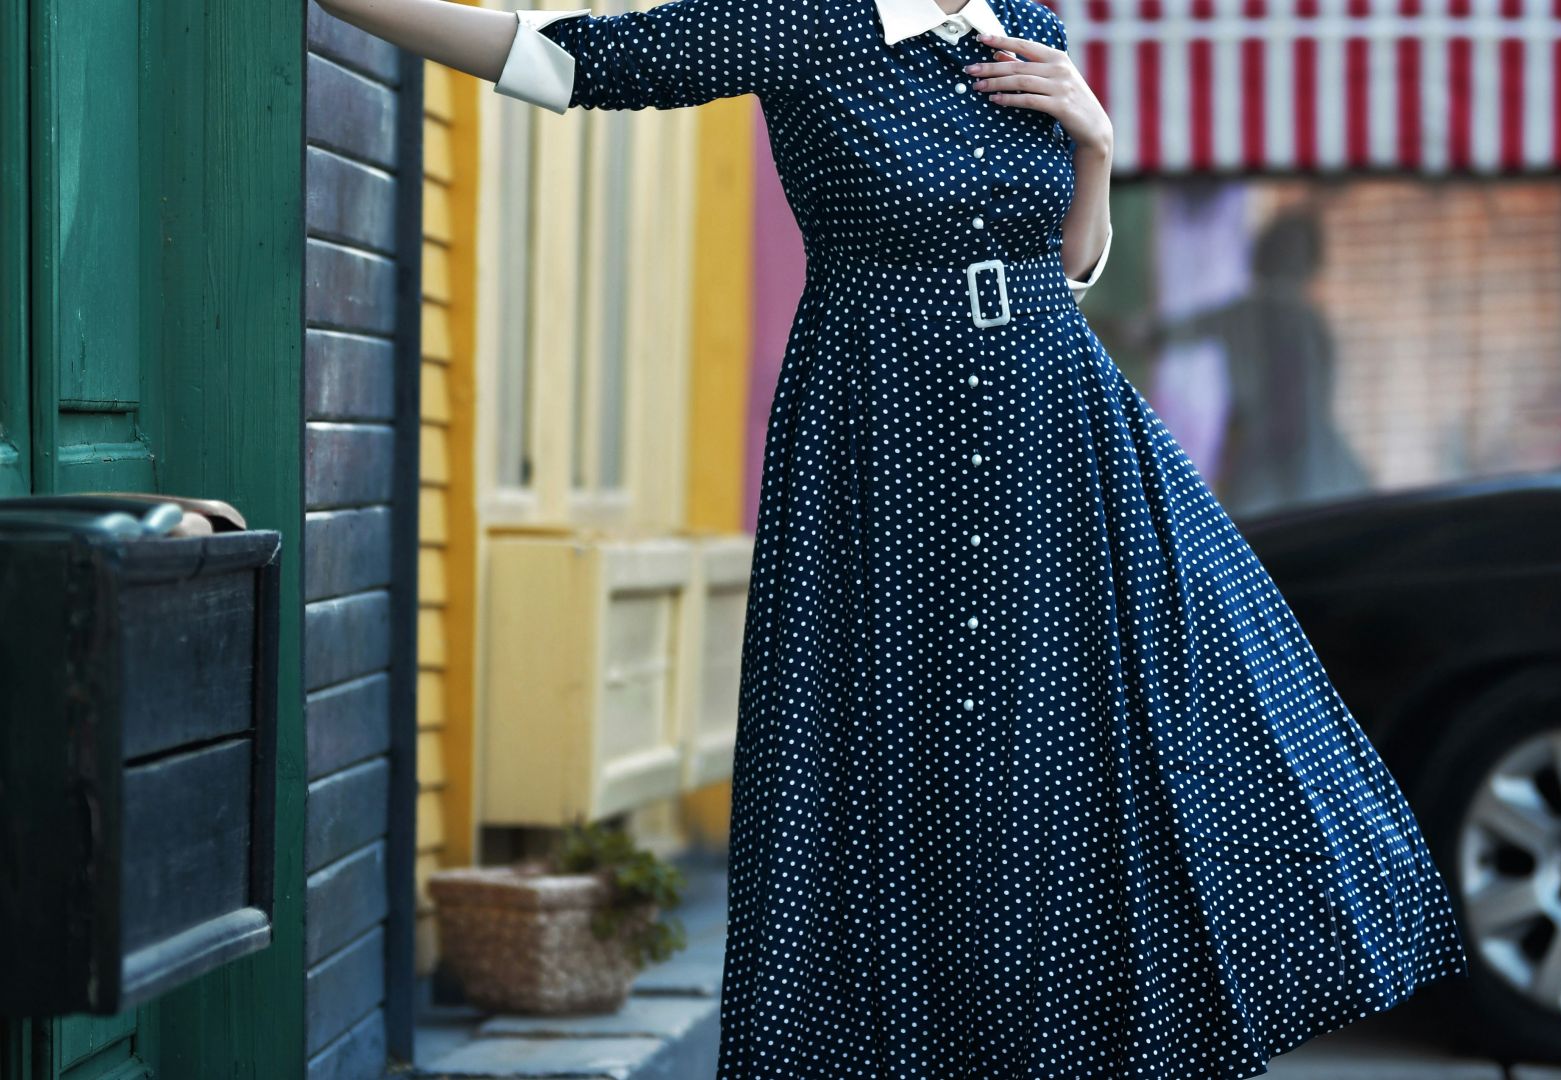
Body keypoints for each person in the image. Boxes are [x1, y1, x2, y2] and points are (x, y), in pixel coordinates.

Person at [313, 0, 1469, 1076]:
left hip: (1055, 440)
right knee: (893, 770)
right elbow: (564, 59)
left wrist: (1098, 148)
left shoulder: (1025, 24)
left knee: (1078, 764)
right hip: (884, 444)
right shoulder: (801, 26)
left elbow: (1063, 265)